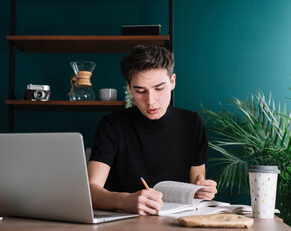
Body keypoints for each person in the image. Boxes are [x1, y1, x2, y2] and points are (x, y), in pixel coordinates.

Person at [87, 44, 217, 215]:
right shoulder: (112, 125)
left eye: (159, 88)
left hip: (172, 220)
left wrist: (202, 189)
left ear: (172, 82)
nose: (151, 101)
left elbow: (196, 183)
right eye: (140, 91)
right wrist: (124, 201)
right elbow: (91, 190)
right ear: (129, 88)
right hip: (120, 219)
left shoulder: (192, 123)